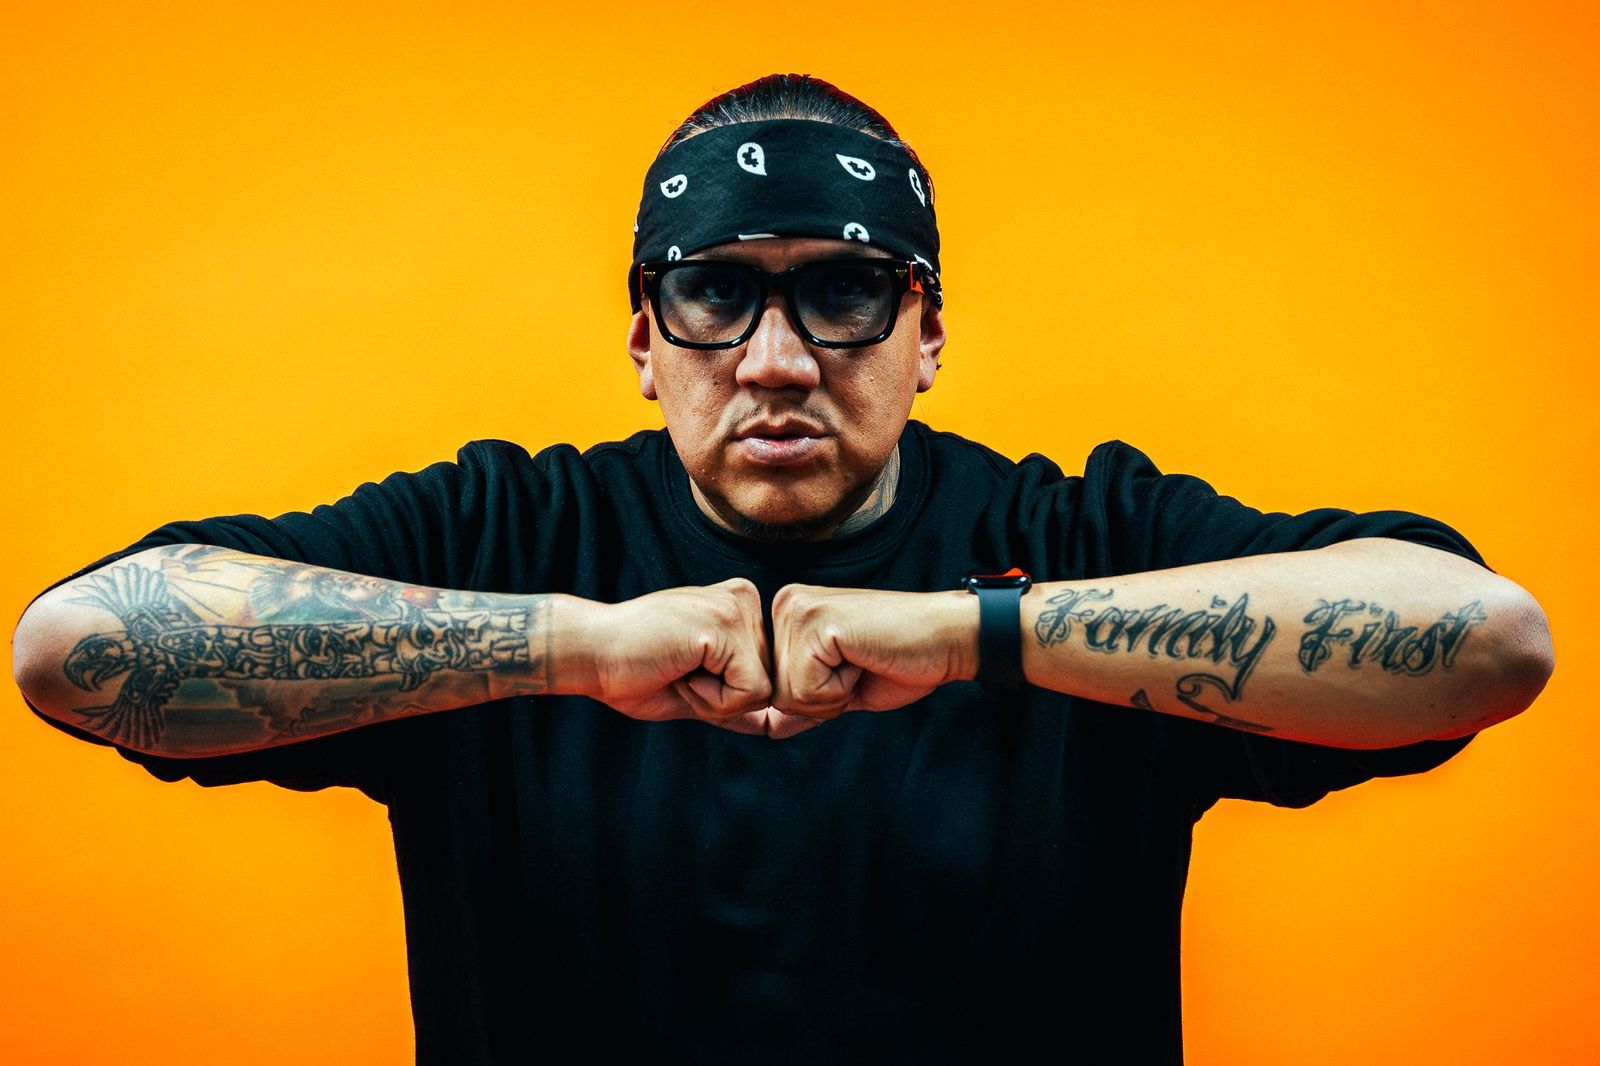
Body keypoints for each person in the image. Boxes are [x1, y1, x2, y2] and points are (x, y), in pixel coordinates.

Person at [12, 73, 1553, 1064]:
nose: (775, 359)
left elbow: (1489, 640)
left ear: (927, 333)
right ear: (643, 338)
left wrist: (980, 634)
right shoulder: (499, 540)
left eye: (844, 293)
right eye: (714, 295)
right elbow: (73, 650)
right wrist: (567, 648)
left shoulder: (1081, 540)